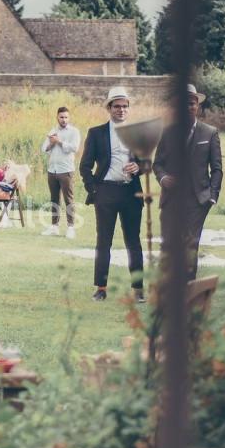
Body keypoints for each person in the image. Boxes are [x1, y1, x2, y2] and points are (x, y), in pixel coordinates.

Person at [79, 86, 149, 303]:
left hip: (131, 193)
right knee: (104, 242)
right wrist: (94, 190)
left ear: (129, 109)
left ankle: (138, 289)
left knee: (133, 242)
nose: (121, 110)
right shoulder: (96, 133)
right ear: (109, 108)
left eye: (125, 106)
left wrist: (139, 168)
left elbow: (148, 163)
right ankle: (101, 288)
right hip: (106, 192)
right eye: (117, 106)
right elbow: (85, 166)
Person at [152, 84, 222, 281]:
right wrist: (164, 178)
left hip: (197, 200)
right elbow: (158, 164)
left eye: (192, 104)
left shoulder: (210, 133)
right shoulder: (167, 132)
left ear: (197, 106)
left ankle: (188, 288)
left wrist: (212, 196)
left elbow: (216, 168)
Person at [41, 105, 80, 239]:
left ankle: (70, 227)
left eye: (66, 117)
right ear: (57, 117)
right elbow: (43, 149)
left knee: (68, 199)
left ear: (69, 118)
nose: (64, 120)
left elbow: (74, 148)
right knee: (54, 200)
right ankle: (54, 227)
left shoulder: (74, 132)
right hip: (52, 170)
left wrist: (59, 141)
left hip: (66, 170)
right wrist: (51, 143)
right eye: (61, 117)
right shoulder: (52, 131)